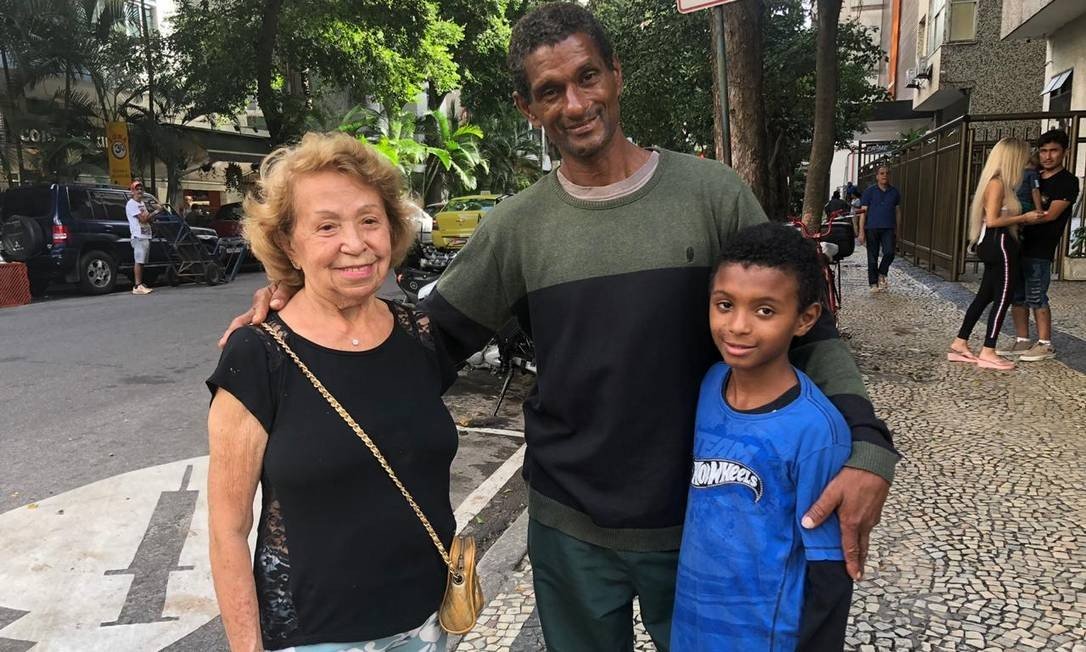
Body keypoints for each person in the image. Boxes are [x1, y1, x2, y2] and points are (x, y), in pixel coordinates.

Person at [223, 4, 898, 649]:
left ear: (615, 73)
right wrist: (303, 305)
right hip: (569, 528)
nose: (574, 104)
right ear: (528, 107)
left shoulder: (713, 196)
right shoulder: (517, 228)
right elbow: (420, 347)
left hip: (702, 517)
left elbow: (811, 331)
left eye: (587, 77)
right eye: (550, 91)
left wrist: (867, 446)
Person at [207, 133, 458, 651]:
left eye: (370, 219)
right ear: (287, 244)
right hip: (315, 639)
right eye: (326, 226)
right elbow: (228, 530)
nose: (356, 243)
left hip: (427, 624)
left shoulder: (419, 335)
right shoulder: (258, 356)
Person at [671, 223, 852, 651]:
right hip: (692, 626)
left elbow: (828, 569)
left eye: (765, 311)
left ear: (805, 318)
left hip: (766, 637)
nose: (738, 326)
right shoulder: (708, 386)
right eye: (725, 304)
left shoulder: (815, 430)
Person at [949, 138, 1043, 371]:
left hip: (994, 242)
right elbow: (992, 220)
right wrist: (1024, 218)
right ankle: (988, 350)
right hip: (999, 242)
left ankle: (961, 342)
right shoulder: (998, 184)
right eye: (1023, 156)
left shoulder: (999, 183)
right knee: (1003, 296)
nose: (1027, 161)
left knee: (985, 296)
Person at [1000, 129, 1081, 362]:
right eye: (1044, 151)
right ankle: (1022, 340)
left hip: (1041, 247)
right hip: (1018, 244)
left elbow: (1051, 215)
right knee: (1017, 295)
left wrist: (1020, 218)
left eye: (1054, 151)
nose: (1048, 156)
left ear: (1065, 152)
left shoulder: (1067, 182)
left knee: (1037, 294)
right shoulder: (1030, 174)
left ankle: (1045, 344)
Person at [858, 166, 901, 292]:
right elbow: (863, 212)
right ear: (877, 176)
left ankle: (882, 272)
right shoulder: (869, 192)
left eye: (887, 173)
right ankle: (873, 283)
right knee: (872, 257)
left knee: (889, 253)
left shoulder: (894, 192)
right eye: (882, 173)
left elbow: (898, 212)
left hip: (888, 227)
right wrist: (861, 231)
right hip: (872, 228)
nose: (884, 175)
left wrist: (898, 229)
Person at [125, 180, 157, 295]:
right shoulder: (131, 204)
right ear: (132, 191)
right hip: (138, 235)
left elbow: (148, 218)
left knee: (142, 261)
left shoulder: (142, 204)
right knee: (138, 260)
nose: (139, 191)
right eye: (136, 189)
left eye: (140, 189)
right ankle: (137, 285)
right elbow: (143, 219)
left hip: (145, 234)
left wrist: (151, 215)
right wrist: (155, 211)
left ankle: (140, 283)